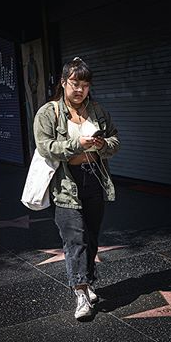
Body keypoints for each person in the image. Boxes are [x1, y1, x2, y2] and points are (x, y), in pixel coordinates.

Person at [33, 57, 120, 321]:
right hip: (65, 184)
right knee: (75, 240)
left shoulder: (97, 110)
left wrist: (102, 144)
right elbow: (44, 146)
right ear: (63, 83)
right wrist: (77, 144)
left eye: (84, 84)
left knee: (91, 236)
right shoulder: (49, 112)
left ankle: (88, 280)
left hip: (94, 179)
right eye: (74, 83)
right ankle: (81, 292)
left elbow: (115, 140)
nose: (80, 89)